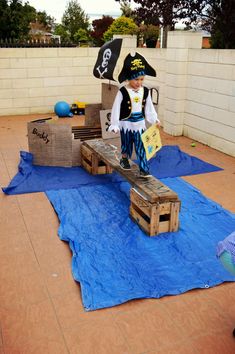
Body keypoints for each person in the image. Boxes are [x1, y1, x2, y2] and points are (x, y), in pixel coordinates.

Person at [109, 52, 160, 178]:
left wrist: (155, 120)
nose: (139, 82)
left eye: (141, 79)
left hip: (140, 124)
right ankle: (124, 159)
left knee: (141, 147)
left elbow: (149, 108)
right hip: (126, 123)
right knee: (126, 145)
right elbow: (116, 108)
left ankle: (144, 168)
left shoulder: (146, 91)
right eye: (136, 79)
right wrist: (114, 124)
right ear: (128, 78)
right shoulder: (122, 91)